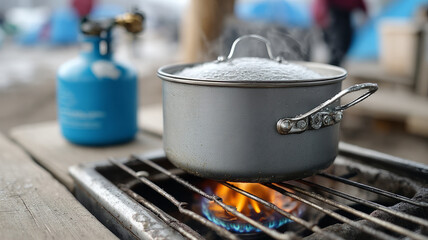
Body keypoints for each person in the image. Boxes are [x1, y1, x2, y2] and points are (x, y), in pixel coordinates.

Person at [313, 0, 367, 66]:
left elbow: (359, 2)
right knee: (337, 42)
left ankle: (337, 64)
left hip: (347, 13)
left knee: (346, 39)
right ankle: (333, 66)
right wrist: (321, 14)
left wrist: (364, 10)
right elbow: (322, 3)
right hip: (333, 12)